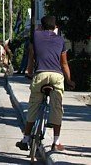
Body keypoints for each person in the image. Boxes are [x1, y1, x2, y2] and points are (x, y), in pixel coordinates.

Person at [16, 16, 75, 152]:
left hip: (40, 74)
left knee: (33, 106)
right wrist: (69, 81)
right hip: (56, 76)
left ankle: (25, 139)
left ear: (41, 26)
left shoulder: (36, 36)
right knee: (57, 107)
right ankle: (56, 142)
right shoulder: (60, 40)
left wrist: (29, 72)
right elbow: (64, 64)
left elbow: (31, 57)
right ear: (55, 27)